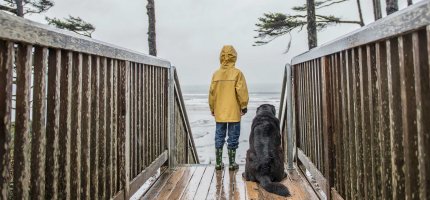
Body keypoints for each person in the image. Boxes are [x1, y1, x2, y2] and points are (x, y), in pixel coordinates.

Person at [208, 45, 249, 170]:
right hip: (233, 112)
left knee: (219, 136)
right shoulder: (238, 73)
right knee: (233, 137)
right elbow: (241, 92)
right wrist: (244, 106)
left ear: (221, 57)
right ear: (234, 56)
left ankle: (218, 163)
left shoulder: (216, 74)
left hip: (220, 112)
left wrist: (212, 108)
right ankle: (231, 164)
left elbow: (212, 93)